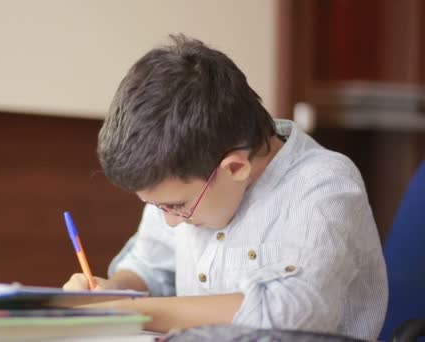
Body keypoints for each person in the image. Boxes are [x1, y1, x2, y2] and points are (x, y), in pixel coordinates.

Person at [63, 34, 388, 340]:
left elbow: (285, 316)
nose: (171, 221)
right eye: (158, 207)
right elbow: (150, 263)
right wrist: (109, 292)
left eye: (177, 206)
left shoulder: (322, 186)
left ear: (235, 168)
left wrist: (132, 312)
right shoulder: (187, 181)